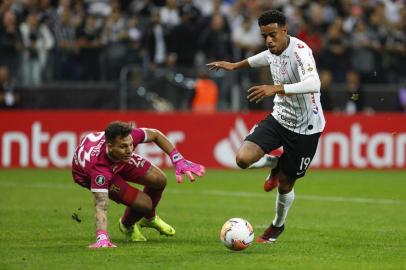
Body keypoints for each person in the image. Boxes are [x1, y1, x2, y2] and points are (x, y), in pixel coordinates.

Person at [207, 10, 325, 243]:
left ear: (284, 30)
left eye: (272, 35)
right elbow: (260, 59)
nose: (269, 40)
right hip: (279, 118)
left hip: (306, 127)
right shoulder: (272, 50)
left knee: (285, 184)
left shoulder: (301, 52)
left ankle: (276, 227)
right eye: (264, 36)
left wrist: (276, 88)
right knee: (242, 159)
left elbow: (314, 83)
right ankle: (275, 162)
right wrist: (233, 66)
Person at [71, 121, 205, 248]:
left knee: (160, 180)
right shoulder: (98, 168)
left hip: (118, 160)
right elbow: (101, 204)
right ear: (110, 146)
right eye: (124, 146)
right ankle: (127, 225)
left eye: (130, 144)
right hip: (88, 175)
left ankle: (149, 218)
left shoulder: (128, 141)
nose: (130, 150)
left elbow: (155, 134)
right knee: (145, 204)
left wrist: (178, 159)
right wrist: (102, 237)